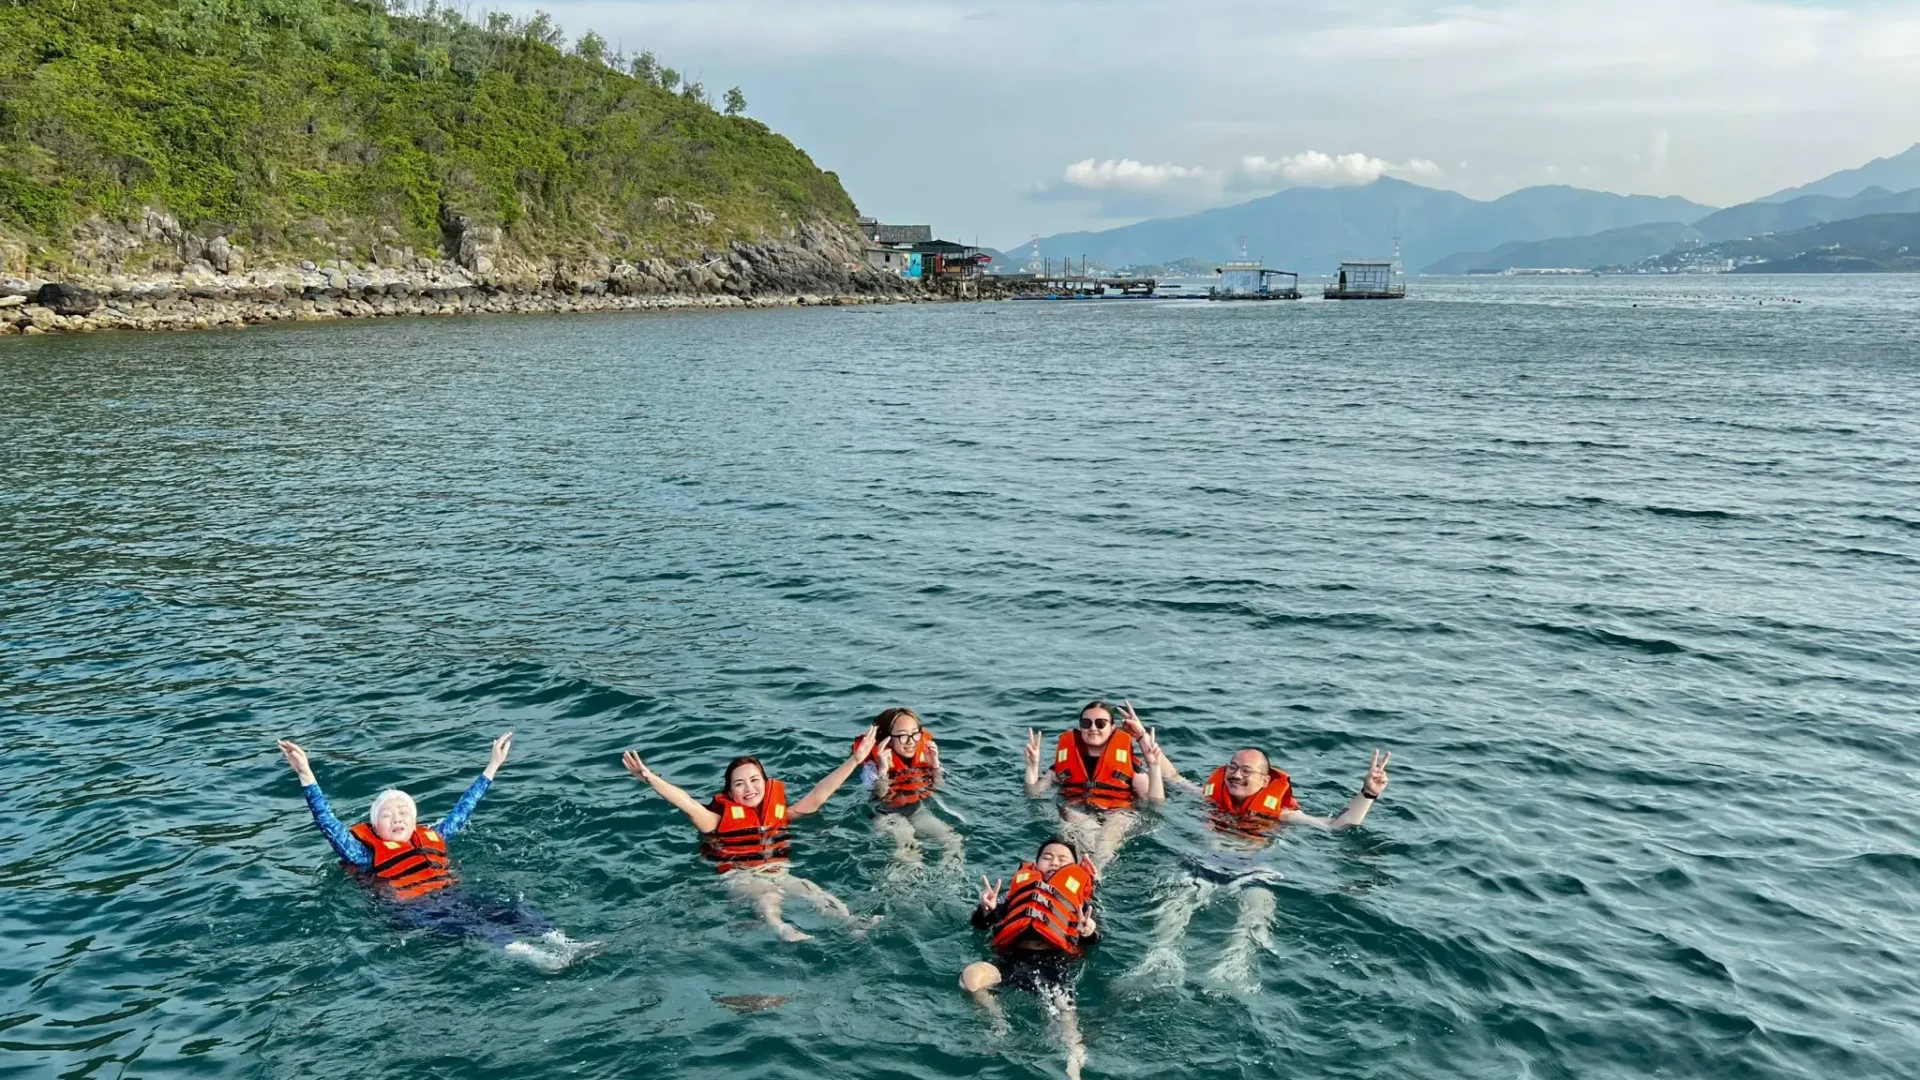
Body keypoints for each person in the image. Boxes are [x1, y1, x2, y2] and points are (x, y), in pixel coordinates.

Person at [276, 732, 596, 972]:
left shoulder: (432, 836)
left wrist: (493, 766)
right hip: (412, 911)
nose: (397, 817)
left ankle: (563, 942)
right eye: (387, 815)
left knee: (513, 909)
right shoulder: (364, 854)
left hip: (449, 897)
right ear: (375, 828)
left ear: (416, 822)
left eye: (404, 812)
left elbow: (464, 809)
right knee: (478, 927)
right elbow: (328, 824)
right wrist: (306, 775)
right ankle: (537, 958)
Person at [1135, 747, 1391, 989]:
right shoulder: (1210, 797)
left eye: (1246, 771)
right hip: (1200, 866)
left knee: (1254, 921)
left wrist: (1368, 793)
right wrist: (1146, 741)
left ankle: (1232, 970)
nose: (1235, 775)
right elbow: (1173, 777)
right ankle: (1161, 957)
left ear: (1266, 781)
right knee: (1172, 910)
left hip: (1252, 874)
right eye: (1232, 768)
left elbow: (1337, 825)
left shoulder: (1281, 814)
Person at [621, 730, 879, 942]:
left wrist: (855, 760)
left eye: (755, 780)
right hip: (739, 876)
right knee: (767, 895)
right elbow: (686, 802)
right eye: (739, 783)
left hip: (779, 871)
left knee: (815, 892)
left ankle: (851, 923)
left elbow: (821, 793)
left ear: (767, 785)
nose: (748, 788)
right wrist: (650, 779)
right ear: (730, 792)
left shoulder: (782, 815)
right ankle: (781, 929)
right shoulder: (715, 821)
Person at [960, 837, 1100, 1080]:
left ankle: (1074, 1064)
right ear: (1036, 863)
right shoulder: (1009, 895)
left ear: (1074, 867)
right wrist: (985, 910)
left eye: (1062, 859)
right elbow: (980, 925)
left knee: (1064, 1015)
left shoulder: (1082, 902)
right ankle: (998, 1024)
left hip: (1054, 963)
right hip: (1011, 959)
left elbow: (1096, 935)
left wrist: (1089, 932)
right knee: (971, 979)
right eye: (1047, 857)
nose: (1054, 862)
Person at [1023, 699, 1164, 871]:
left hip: (1117, 813)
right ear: (1080, 727)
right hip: (1078, 813)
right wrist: (1032, 766)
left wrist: (1154, 766)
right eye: (1086, 723)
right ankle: (1075, 873)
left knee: (1110, 832)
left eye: (1100, 723)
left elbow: (1155, 803)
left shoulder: (1130, 767)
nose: (1093, 728)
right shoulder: (1062, 765)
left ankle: (1094, 874)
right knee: (1073, 819)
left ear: (1112, 728)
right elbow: (1033, 793)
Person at [867, 707, 964, 871]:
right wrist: (882, 771)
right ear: (888, 739)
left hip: (916, 810)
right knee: (909, 844)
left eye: (915, 733)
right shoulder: (872, 765)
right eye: (903, 735)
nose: (911, 741)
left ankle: (950, 879)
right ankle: (908, 887)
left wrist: (935, 764)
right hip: (886, 814)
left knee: (953, 839)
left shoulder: (924, 756)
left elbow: (939, 788)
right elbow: (878, 796)